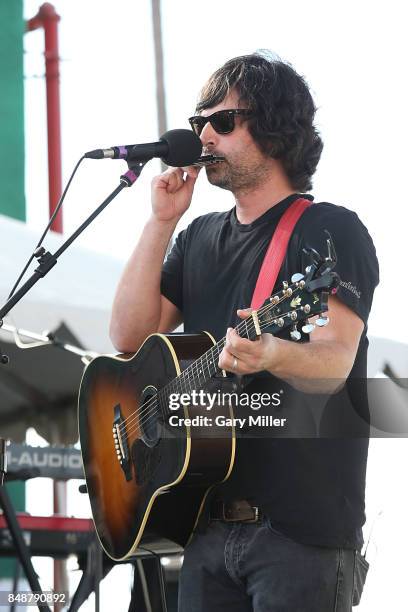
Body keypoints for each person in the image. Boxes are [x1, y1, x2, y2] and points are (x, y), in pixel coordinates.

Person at [110, 52, 379, 612]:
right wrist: (162, 223)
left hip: (299, 537)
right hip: (204, 527)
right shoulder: (197, 237)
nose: (203, 134)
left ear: (275, 130)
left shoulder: (330, 231)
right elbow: (129, 338)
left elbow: (334, 362)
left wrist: (272, 351)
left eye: (222, 121)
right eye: (197, 123)